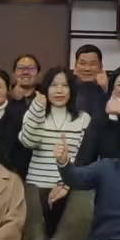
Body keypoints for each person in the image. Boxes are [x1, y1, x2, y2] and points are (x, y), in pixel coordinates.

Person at [18, 67, 91, 196]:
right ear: (46, 88)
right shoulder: (33, 113)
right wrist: (37, 110)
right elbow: (28, 142)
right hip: (36, 186)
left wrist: (65, 184)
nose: (59, 90)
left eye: (65, 85)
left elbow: (83, 158)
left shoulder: (83, 118)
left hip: (70, 188)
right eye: (54, 85)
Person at [71, 44, 109, 119]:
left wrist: (105, 90)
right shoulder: (67, 88)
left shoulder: (111, 89)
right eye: (82, 64)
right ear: (75, 66)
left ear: (101, 67)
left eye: (92, 64)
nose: (87, 69)